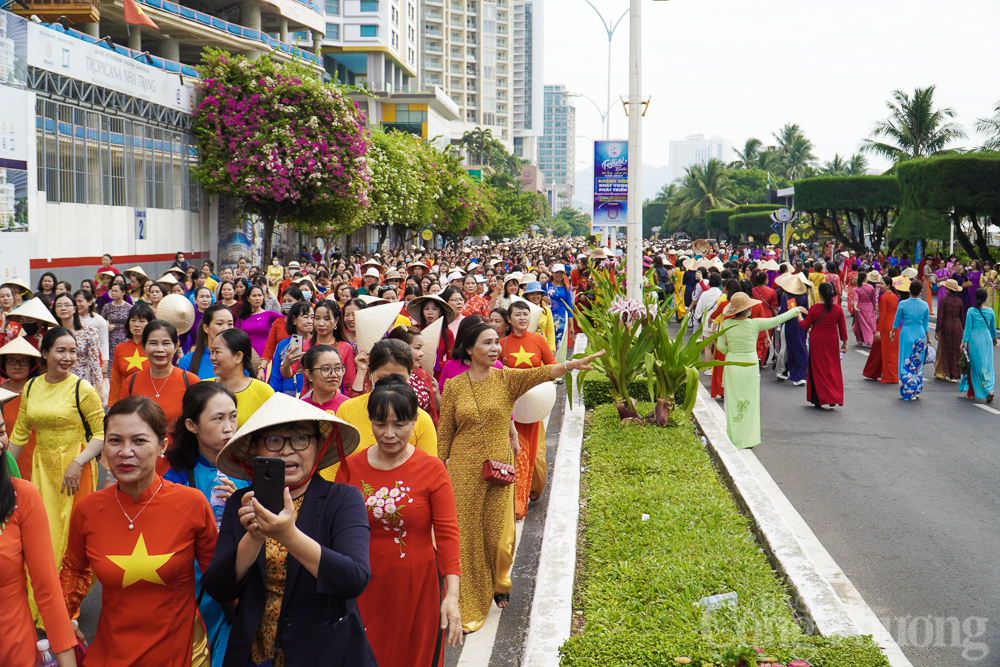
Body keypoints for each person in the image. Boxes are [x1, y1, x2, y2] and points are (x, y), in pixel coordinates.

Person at [437, 321, 603, 631]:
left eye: (495, 343)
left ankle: (498, 582)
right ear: (469, 349)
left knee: (498, 537)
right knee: (467, 536)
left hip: (498, 469)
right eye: (486, 343)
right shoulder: (454, 386)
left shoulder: (506, 379)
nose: (494, 348)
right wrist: (438, 471)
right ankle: (467, 600)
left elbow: (542, 373)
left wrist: (571, 365)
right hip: (462, 469)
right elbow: (445, 433)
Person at [203, 393, 377, 667]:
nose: (286, 451)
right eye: (273, 441)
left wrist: (289, 536)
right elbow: (218, 587)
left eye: (300, 438)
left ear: (318, 446)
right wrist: (254, 537)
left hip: (326, 653)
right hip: (255, 654)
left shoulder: (343, 498)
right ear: (258, 450)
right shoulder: (242, 502)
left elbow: (354, 578)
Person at [60, 396, 218, 666]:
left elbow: (220, 578)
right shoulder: (88, 510)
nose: (125, 451)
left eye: (139, 440)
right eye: (115, 440)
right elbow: (73, 571)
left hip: (180, 653)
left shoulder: (192, 504)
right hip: (111, 652)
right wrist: (63, 621)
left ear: (162, 446)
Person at [343, 376, 462, 666]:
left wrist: (452, 596)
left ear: (414, 422)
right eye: (380, 424)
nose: (389, 433)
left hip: (417, 588)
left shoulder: (432, 469)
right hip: (363, 585)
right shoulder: (351, 467)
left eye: (400, 424)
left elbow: (447, 535)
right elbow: (339, 531)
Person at [8, 328, 106, 619]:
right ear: (45, 353)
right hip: (41, 470)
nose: (68, 357)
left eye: (73, 351)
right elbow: (19, 435)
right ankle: (40, 602)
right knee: (40, 537)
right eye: (61, 351)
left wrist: (78, 462)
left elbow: (102, 433)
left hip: (75, 471)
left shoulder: (81, 389)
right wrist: (6, 472)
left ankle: (65, 604)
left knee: (66, 537)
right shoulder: (32, 387)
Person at [165, 382, 249, 667]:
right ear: (192, 425)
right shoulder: (175, 479)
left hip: (244, 581)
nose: (229, 426)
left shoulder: (253, 471)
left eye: (233, 416)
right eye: (218, 418)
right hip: (195, 586)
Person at [0, 427, 78, 667]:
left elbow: (48, 590)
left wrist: (67, 658)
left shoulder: (22, 497)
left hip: (15, 650)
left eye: (0, 431)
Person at [325, 339, 437, 481]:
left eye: (399, 378)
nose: (390, 385)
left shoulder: (422, 419)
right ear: (370, 374)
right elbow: (334, 466)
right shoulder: (348, 410)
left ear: (410, 375)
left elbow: (429, 474)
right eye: (382, 378)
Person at [717, 293, 808, 448]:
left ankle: (734, 437)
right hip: (750, 365)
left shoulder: (726, 325)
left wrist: (733, 353)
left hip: (732, 365)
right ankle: (748, 440)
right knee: (750, 401)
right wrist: (795, 310)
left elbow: (720, 347)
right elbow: (777, 320)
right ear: (747, 310)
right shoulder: (754, 324)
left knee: (733, 401)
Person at [500, 300, 555, 519]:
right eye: (517, 315)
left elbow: (551, 368)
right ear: (509, 319)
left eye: (526, 314)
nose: (522, 318)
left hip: (534, 406)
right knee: (517, 456)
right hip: (511, 409)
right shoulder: (501, 343)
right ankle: (517, 503)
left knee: (538, 456)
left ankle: (535, 487)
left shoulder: (539, 341)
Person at [210, 329, 274, 427]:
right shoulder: (205, 388)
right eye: (212, 352)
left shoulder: (263, 391)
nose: (212, 358)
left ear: (238, 356)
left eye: (217, 352)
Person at [799, 282, 848, 408]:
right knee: (832, 368)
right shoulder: (838, 308)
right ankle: (833, 396)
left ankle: (819, 397)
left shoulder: (815, 308)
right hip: (832, 340)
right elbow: (842, 328)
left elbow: (805, 325)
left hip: (817, 340)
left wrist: (799, 316)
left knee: (817, 368)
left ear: (819, 294)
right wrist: (845, 343)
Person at [0, 337, 41, 480]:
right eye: (11, 361)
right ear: (3, 364)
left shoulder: (41, 394)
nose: (17, 366)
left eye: (23, 361)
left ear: (32, 365)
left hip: (38, 466)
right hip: (5, 465)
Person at [51, 291, 105, 394]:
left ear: (74, 308)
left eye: (67, 305)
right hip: (58, 382)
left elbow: (94, 361)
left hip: (82, 382)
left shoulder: (89, 331)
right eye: (59, 305)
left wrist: (99, 386)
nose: (63, 308)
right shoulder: (52, 333)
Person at [892, 278, 931, 401]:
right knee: (918, 363)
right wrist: (929, 338)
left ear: (909, 290)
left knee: (905, 360)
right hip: (920, 334)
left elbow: (897, 321)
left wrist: (892, 332)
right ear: (920, 291)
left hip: (906, 334)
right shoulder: (925, 305)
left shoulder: (903, 304)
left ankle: (908, 389)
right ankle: (917, 389)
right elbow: (926, 325)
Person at [108, 303, 154, 404]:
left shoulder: (155, 349)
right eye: (133, 320)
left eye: (142, 321)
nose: (136, 324)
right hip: (126, 401)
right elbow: (116, 380)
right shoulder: (120, 348)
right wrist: (113, 404)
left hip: (150, 401)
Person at [181, 302, 236, 380]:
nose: (226, 328)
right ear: (206, 328)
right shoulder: (187, 361)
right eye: (220, 324)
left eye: (230, 324)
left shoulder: (238, 359)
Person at [960, 288, 997, 402]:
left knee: (974, 366)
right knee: (987, 365)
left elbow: (968, 329)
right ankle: (990, 389)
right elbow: (993, 329)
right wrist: (994, 339)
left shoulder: (971, 311)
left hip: (974, 340)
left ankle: (973, 392)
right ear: (986, 298)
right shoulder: (990, 311)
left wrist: (963, 341)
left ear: (975, 298)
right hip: (986, 339)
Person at [271, 301, 315, 396]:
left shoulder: (316, 344)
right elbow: (276, 375)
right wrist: (274, 396)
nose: (310, 321)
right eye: (305, 317)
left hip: (311, 394)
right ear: (294, 320)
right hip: (287, 395)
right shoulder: (283, 344)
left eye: (312, 317)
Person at [775, 273, 809, 386]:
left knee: (788, 349)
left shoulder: (788, 297)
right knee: (802, 348)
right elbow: (806, 311)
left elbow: (786, 313)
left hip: (791, 325)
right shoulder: (804, 296)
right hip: (802, 325)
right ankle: (801, 374)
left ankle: (785, 372)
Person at [301, 343, 350, 413]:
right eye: (326, 369)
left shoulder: (350, 407)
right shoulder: (300, 407)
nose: (334, 374)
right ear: (309, 374)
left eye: (338, 368)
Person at [238, 285, 284, 358]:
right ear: (248, 299)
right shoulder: (241, 317)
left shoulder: (269, 314)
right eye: (254, 296)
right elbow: (237, 335)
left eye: (260, 295)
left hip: (264, 353)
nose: (257, 298)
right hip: (245, 352)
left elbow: (287, 320)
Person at [934, 279, 965, 382]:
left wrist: (937, 330)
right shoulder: (960, 301)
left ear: (947, 289)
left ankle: (946, 372)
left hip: (946, 326)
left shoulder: (944, 300)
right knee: (956, 350)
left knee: (946, 349)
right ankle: (955, 375)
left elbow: (940, 317)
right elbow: (962, 317)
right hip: (957, 326)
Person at [101, 279, 134, 355]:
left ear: (123, 292)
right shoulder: (107, 307)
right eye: (112, 291)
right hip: (111, 339)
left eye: (116, 291)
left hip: (126, 338)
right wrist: (107, 327)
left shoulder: (129, 308)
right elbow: (100, 323)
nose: (113, 293)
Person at [853, 271, 879, 347]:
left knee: (859, 325)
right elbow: (874, 300)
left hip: (860, 308)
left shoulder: (856, 289)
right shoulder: (871, 287)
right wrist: (875, 309)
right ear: (865, 278)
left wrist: (855, 307)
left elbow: (855, 299)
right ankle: (870, 341)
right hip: (869, 307)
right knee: (870, 324)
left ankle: (859, 341)